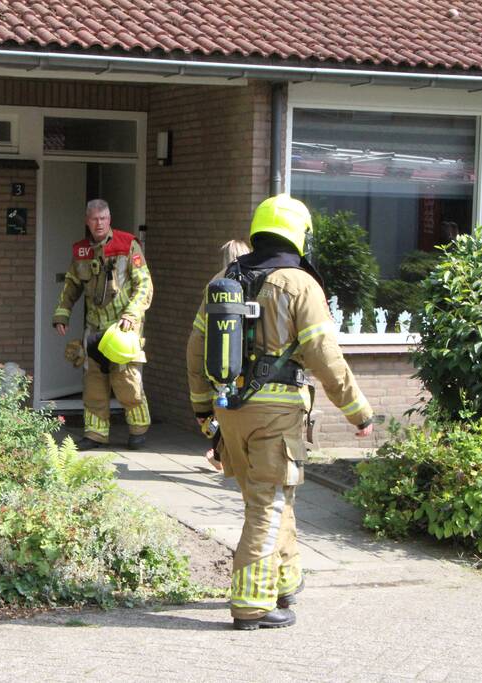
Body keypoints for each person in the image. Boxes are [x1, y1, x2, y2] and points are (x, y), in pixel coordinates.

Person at [186, 194, 374, 631]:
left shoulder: (224, 279)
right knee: (266, 507)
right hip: (276, 413)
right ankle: (251, 605)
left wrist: (202, 410)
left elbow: (196, 350)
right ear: (299, 235)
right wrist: (358, 412)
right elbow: (325, 357)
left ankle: (285, 582)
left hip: (230, 410)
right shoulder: (300, 284)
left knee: (274, 497)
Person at [53, 199, 153, 450]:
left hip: (123, 327)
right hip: (94, 327)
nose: (99, 223)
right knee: (94, 384)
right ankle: (95, 434)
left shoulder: (127, 245)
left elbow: (144, 284)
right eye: (94, 219)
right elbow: (71, 285)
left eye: (103, 218)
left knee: (126, 381)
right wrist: (62, 315)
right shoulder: (81, 251)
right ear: (87, 221)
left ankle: (138, 429)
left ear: (110, 219)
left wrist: (131, 314)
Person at [203, 239, 253, 471]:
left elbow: (202, 330)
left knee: (221, 407)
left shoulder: (217, 285)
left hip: (222, 356)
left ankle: (219, 456)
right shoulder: (253, 281)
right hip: (247, 358)